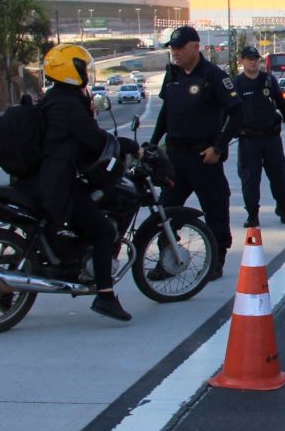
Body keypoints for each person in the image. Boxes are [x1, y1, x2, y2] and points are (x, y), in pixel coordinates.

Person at [28, 43, 138, 321]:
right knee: (102, 231)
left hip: (47, 179)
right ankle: (105, 296)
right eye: (82, 67)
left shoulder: (54, 99)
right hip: (59, 184)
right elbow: (94, 139)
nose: (86, 72)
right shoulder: (67, 105)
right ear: (70, 70)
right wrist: (124, 146)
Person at [149, 26, 242, 280]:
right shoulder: (173, 74)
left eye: (180, 47)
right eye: (172, 48)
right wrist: (154, 142)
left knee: (215, 209)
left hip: (204, 157)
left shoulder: (214, 76)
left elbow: (237, 113)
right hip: (175, 157)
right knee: (166, 213)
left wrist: (219, 147)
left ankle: (216, 260)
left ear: (195, 46)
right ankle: (167, 261)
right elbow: (166, 111)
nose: (175, 52)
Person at [234, 46, 285, 228]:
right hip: (248, 140)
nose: (253, 62)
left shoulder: (268, 80)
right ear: (242, 61)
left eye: (255, 59)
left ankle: (282, 206)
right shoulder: (237, 84)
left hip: (271, 138)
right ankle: (252, 214)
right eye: (249, 59)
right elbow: (228, 112)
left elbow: (281, 102)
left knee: (279, 176)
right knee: (250, 179)